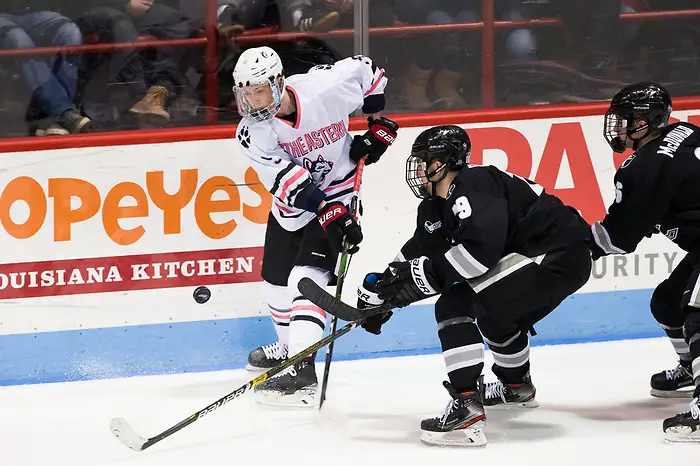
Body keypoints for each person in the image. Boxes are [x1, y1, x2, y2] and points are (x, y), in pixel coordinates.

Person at [354, 125, 591, 446]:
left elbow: (479, 255)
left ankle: (466, 407)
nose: (420, 169)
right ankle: (515, 386)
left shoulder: (473, 185)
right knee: (493, 317)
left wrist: (422, 281)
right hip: (542, 256)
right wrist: (382, 292)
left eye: (425, 161)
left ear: (443, 162)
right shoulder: (437, 204)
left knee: (455, 302)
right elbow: (421, 248)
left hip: (555, 254)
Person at [232, 45, 398, 406]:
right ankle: (290, 347)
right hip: (295, 207)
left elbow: (368, 71)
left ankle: (302, 370)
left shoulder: (324, 87)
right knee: (274, 280)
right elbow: (285, 180)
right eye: (245, 92)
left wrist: (378, 123)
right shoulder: (252, 132)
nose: (252, 100)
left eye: (259, 90)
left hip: (339, 192)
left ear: (278, 83)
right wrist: (323, 207)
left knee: (304, 278)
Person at [588, 82, 700, 443]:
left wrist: (569, 246)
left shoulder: (643, 169)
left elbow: (617, 238)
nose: (617, 128)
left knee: (697, 313)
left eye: (625, 120)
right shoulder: (686, 131)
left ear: (647, 121)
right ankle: (691, 368)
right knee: (668, 303)